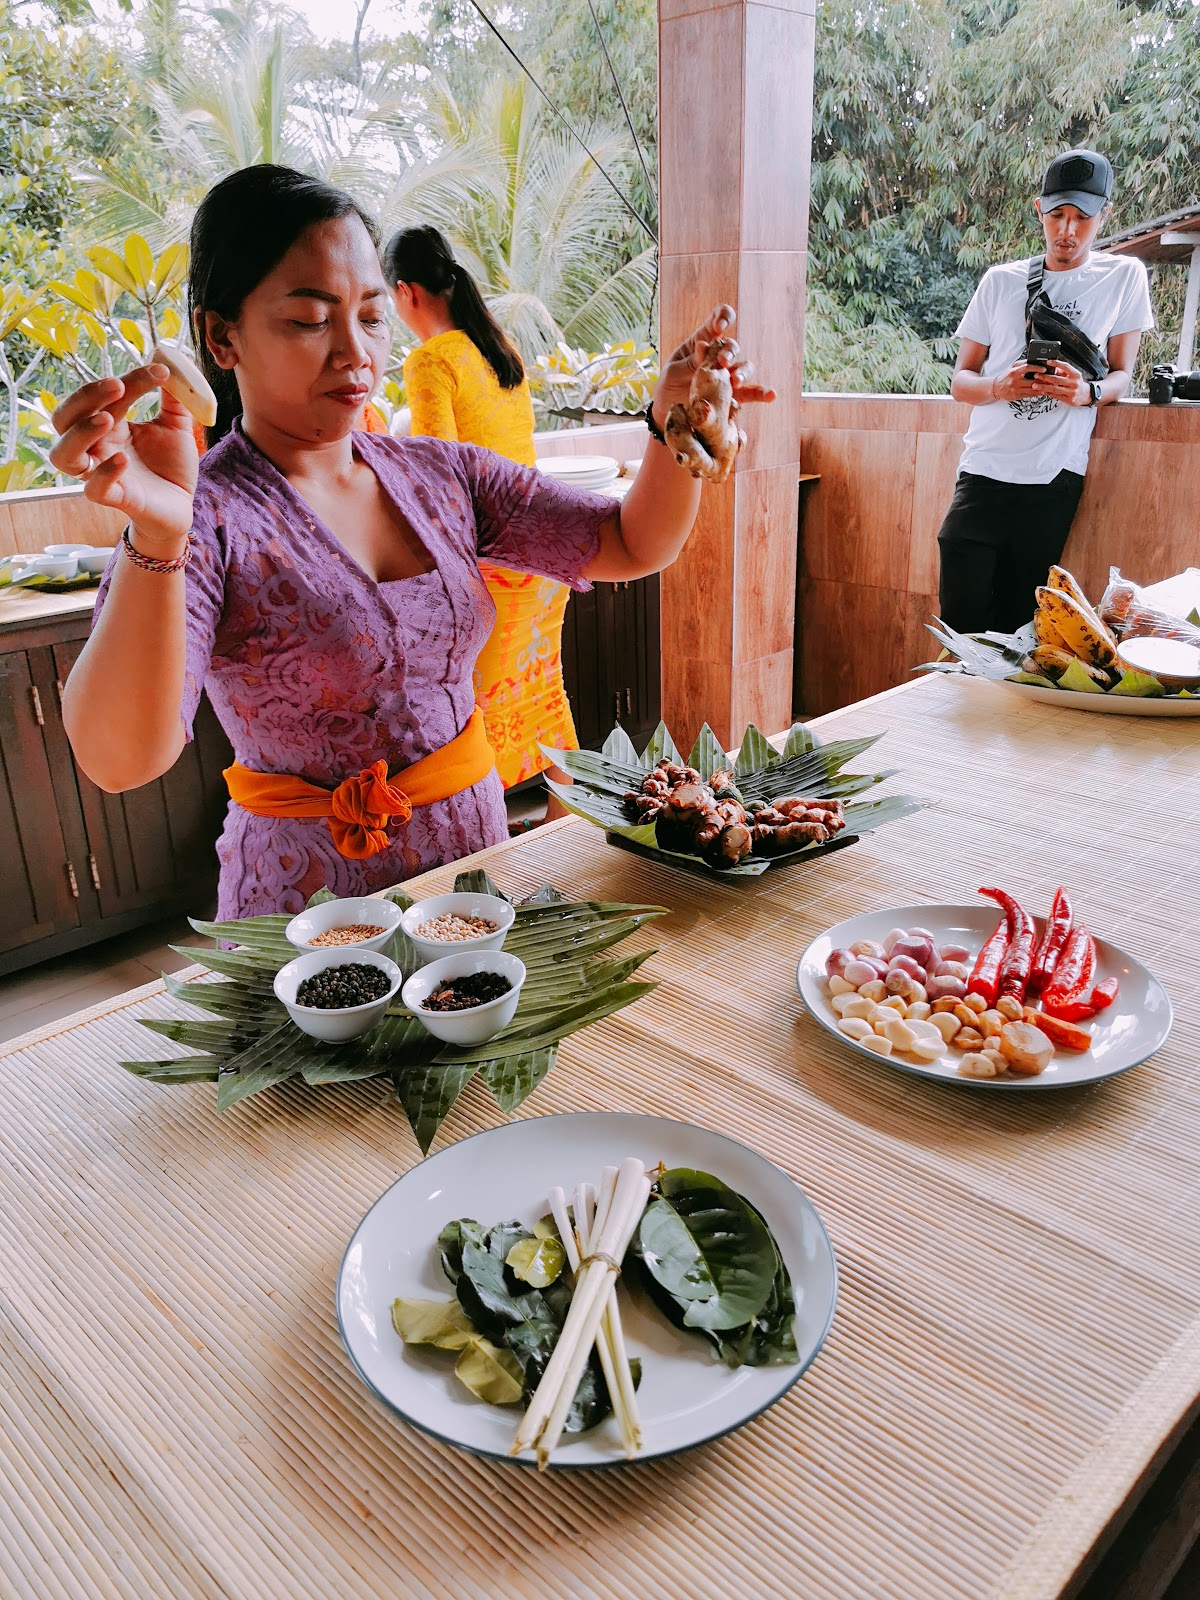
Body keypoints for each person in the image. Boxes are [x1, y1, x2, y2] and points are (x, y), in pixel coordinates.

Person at [51, 164, 773, 921]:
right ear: (221, 335)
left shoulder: (441, 475)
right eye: (308, 319)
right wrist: (160, 530)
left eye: (369, 316)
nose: (353, 353)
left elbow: (626, 541)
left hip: (471, 882)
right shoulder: (210, 513)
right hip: (309, 915)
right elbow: (120, 758)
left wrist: (673, 427)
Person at [382, 224, 574, 825]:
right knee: (541, 684)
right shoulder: (499, 346)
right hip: (542, 553)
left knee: (471, 706)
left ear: (406, 292)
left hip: (492, 562)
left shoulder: (431, 360)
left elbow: (441, 466)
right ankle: (562, 813)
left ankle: (485, 829)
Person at [938, 149, 1153, 633]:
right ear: (1039, 210)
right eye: (1057, 215)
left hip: (1052, 480)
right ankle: (961, 707)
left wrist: (1088, 392)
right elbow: (960, 381)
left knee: (1019, 624)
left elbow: (1122, 374)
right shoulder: (1000, 280)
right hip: (984, 471)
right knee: (961, 619)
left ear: (1105, 216)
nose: (1068, 231)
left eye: (1082, 217)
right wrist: (999, 384)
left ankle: (1008, 711)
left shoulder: (1123, 276)